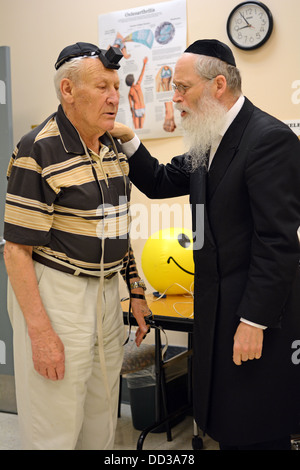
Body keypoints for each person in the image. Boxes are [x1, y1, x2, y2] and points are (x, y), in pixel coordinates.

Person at [112, 39, 300, 450]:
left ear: (218, 85)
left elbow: (278, 242)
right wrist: (128, 139)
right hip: (214, 312)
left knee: (257, 430)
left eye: (181, 87)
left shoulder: (268, 139)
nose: (174, 97)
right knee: (226, 425)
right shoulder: (206, 139)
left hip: (253, 317)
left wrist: (254, 321)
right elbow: (161, 181)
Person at [3, 42, 150, 450]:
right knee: (54, 423)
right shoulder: (39, 149)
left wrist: (135, 290)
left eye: (116, 86)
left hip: (106, 295)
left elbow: (117, 230)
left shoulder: (114, 150)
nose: (114, 96)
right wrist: (40, 333)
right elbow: (15, 251)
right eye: (101, 86)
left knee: (101, 418)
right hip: (58, 293)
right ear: (67, 90)